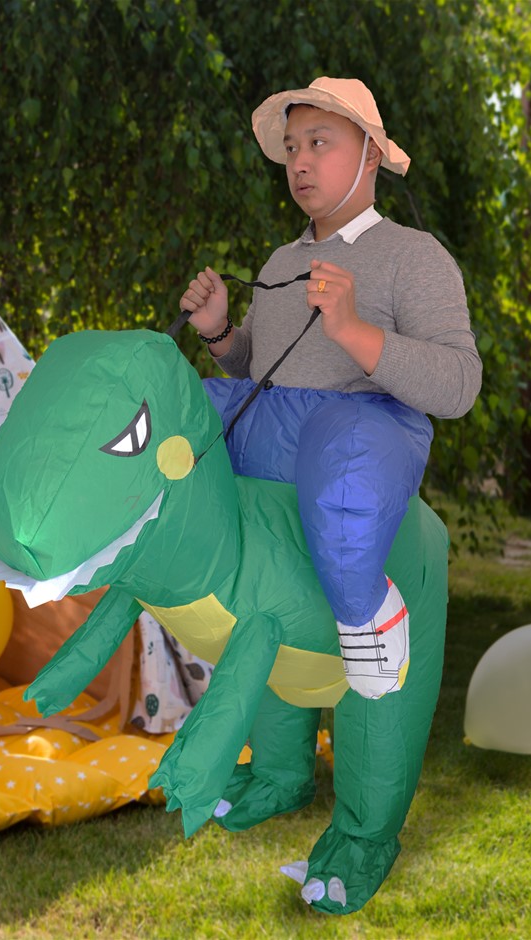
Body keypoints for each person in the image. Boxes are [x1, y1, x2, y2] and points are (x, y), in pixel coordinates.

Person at [180, 77, 482, 701]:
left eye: (319, 142)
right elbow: (261, 373)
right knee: (186, 407)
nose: (300, 162)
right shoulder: (280, 263)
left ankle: (371, 619)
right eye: (292, 147)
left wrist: (353, 331)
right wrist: (219, 333)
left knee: (347, 444)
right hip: (273, 480)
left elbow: (458, 385)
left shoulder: (413, 255)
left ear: (370, 153)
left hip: (353, 461)